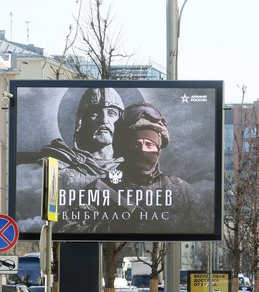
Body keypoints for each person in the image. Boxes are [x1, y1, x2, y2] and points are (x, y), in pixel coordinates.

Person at [56, 102, 200, 234]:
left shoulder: (181, 190)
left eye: (149, 145)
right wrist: (113, 227)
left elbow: (200, 226)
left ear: (158, 150)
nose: (142, 150)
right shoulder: (101, 189)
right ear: (125, 148)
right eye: (135, 145)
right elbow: (64, 228)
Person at [41, 87, 125, 188]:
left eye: (112, 113)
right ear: (81, 121)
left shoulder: (132, 170)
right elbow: (49, 203)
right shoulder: (58, 167)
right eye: (95, 113)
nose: (104, 120)